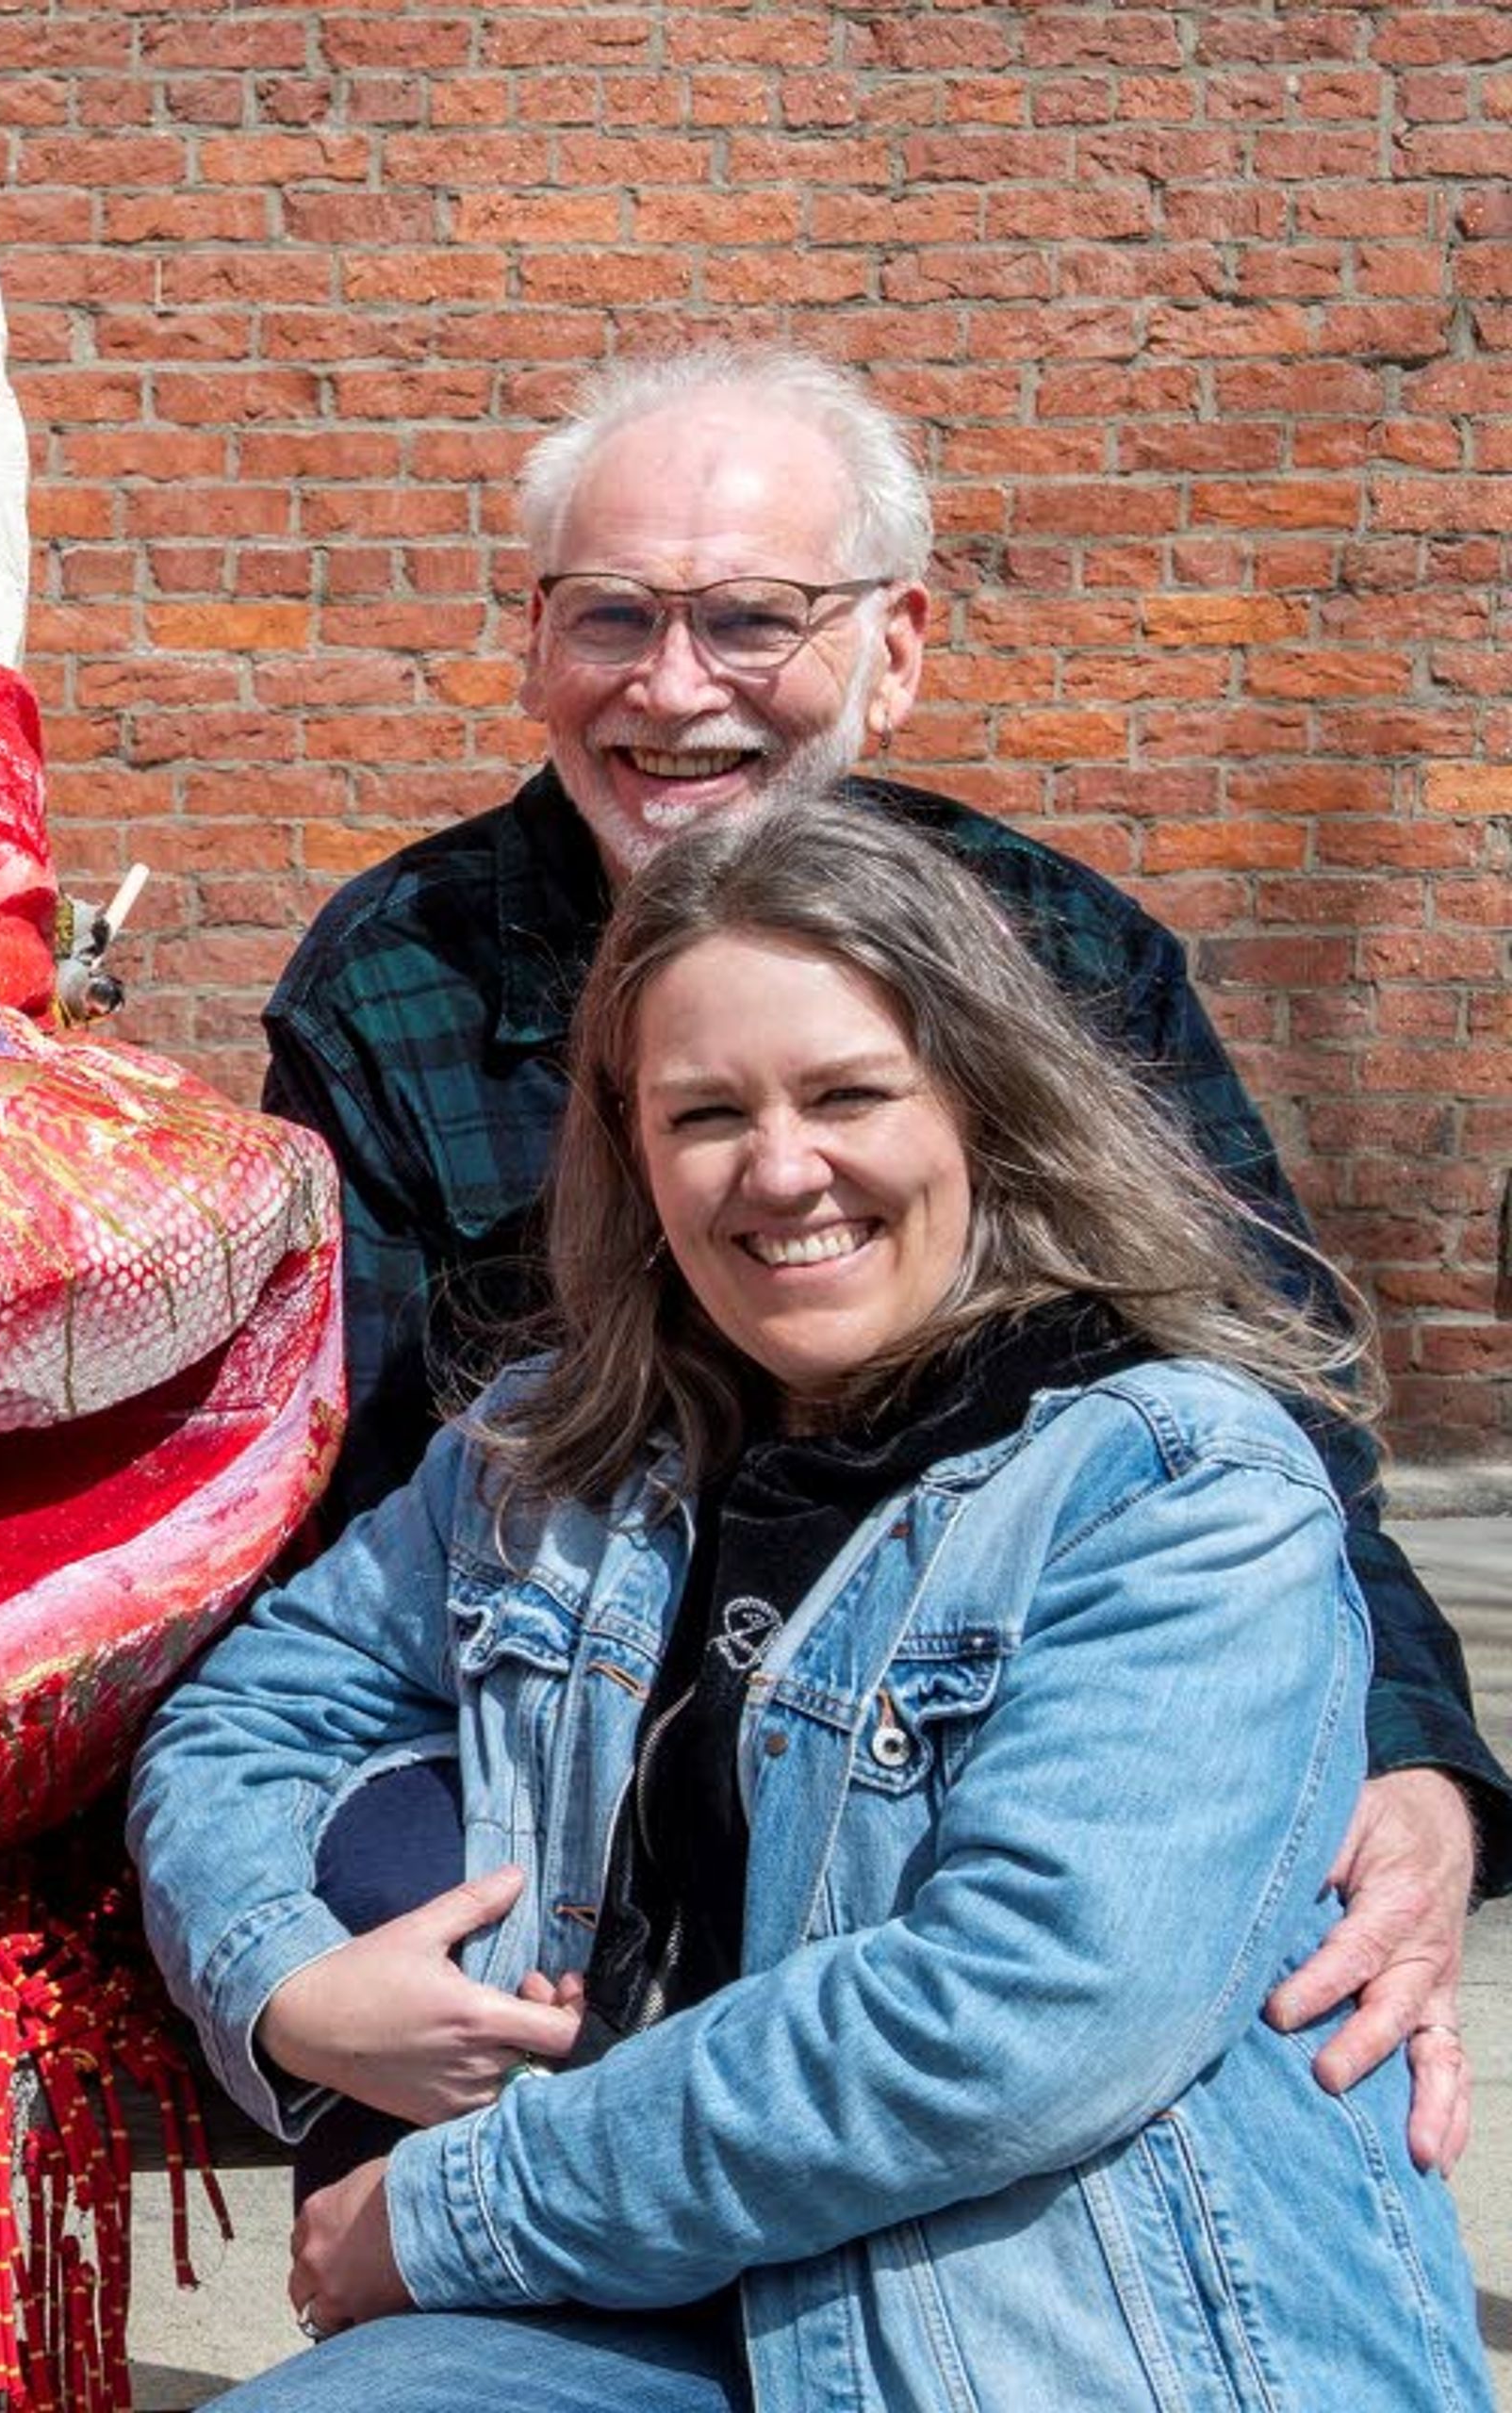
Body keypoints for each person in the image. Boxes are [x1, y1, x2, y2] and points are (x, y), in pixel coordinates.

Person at [258, 344, 1504, 2168]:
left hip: (974, 1791)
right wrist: (302, 1966)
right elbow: (330, 1524)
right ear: (535, 646)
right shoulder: (397, 975)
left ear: (897, 648)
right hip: (551, 1814)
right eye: (612, 616)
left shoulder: (1065, 958)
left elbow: (1275, 1412)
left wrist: (1411, 1757)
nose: (673, 688)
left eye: (753, 619)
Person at [133, 794, 1488, 2410]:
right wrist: (284, 1979)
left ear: (982, 1108)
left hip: (1052, 2332)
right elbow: (244, 1711)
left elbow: (1003, 2024)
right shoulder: (559, 1456)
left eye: (850, 1093)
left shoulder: (1172, 1487)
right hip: (646, 2315)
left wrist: (452, 2210)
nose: (783, 1171)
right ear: (631, 1152)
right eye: (706, 1115)